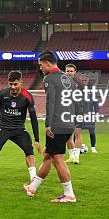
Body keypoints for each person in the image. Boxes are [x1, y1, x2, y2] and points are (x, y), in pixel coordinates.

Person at [24, 51, 77, 203]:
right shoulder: (69, 79)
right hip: (68, 121)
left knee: (57, 158)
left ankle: (69, 194)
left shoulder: (49, 78)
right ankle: (32, 187)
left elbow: (51, 102)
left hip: (57, 124)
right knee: (48, 155)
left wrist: (48, 125)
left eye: (41, 65)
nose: (40, 68)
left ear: (47, 63)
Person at [0, 71, 40, 187]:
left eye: (15, 84)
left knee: (29, 150)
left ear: (21, 82)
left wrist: (37, 139)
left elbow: (33, 118)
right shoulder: (1, 94)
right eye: (10, 84)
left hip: (19, 129)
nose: (13, 87)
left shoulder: (27, 97)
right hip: (3, 127)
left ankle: (33, 178)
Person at [63, 64, 84, 164]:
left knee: (77, 133)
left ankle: (77, 157)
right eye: (67, 71)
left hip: (78, 112)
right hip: (66, 112)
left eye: (71, 71)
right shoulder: (62, 83)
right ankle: (71, 157)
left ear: (75, 72)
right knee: (68, 136)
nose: (69, 73)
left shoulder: (79, 84)